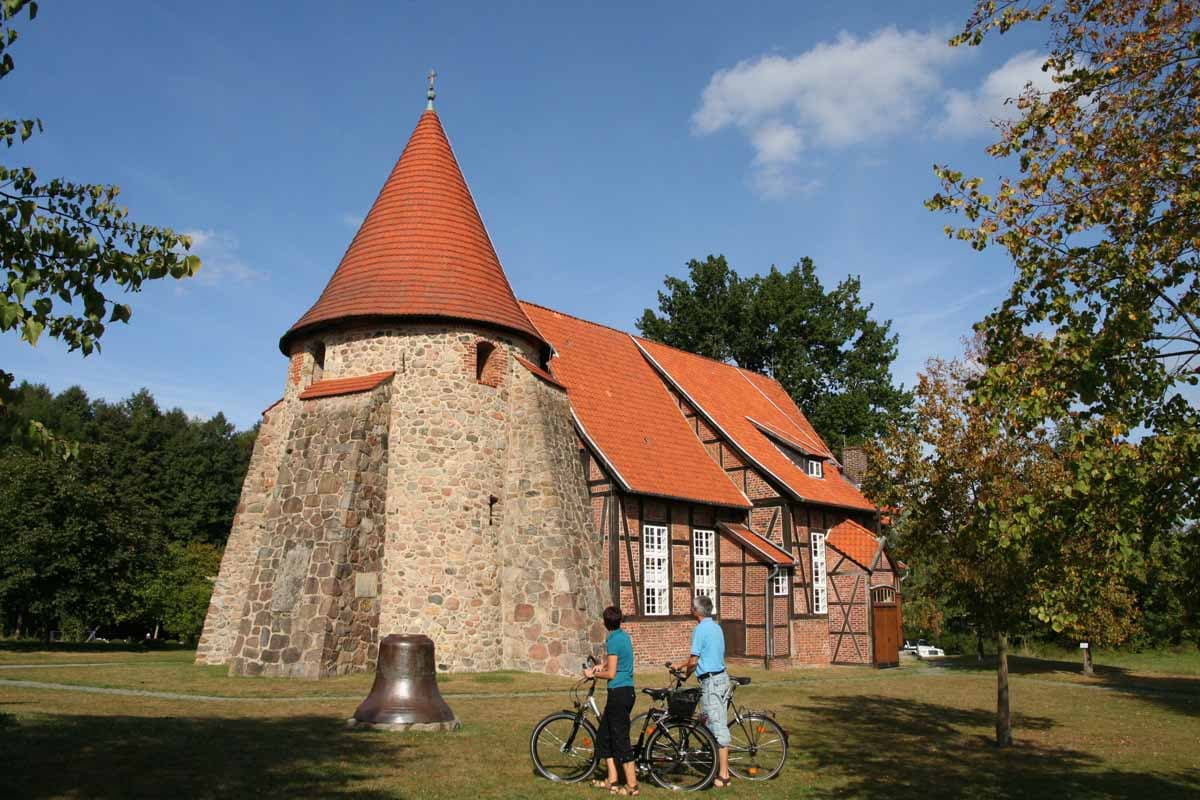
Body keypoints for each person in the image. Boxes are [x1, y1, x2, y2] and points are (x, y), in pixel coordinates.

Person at [670, 594, 732, 788]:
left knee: (717, 725)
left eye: (692, 608)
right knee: (709, 720)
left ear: (696, 611)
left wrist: (683, 671)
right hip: (720, 678)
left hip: (712, 682)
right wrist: (684, 668)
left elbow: (695, 660)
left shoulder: (699, 630)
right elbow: (702, 658)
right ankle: (719, 767)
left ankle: (724, 775)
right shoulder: (717, 627)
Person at [584, 606, 638, 796]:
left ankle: (632, 786)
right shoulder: (622, 636)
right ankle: (612, 780)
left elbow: (612, 673)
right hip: (625, 692)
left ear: (605, 623)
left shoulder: (613, 640)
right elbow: (614, 660)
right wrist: (601, 665)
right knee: (604, 738)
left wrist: (593, 674)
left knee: (620, 740)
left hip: (620, 693)